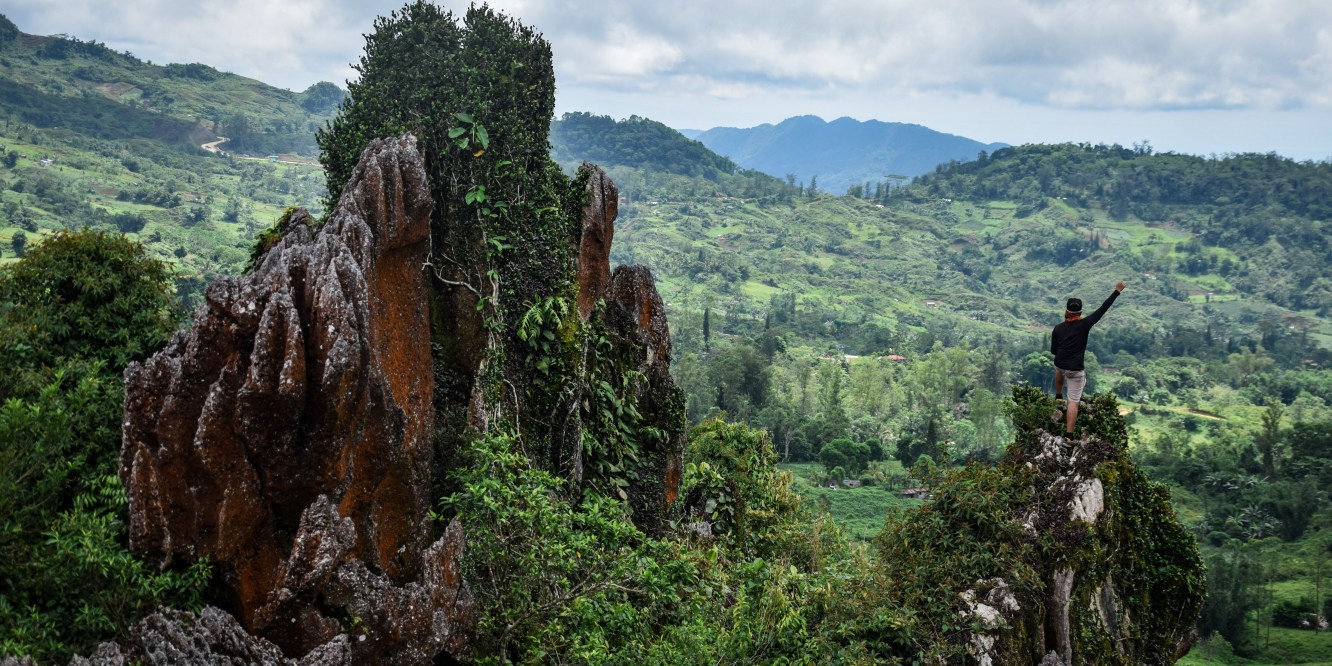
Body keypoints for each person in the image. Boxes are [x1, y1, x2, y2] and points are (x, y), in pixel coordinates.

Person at [1051, 280, 1125, 435]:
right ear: (1080, 313)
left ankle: (1058, 395)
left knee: (1058, 368)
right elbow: (1102, 309)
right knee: (1073, 402)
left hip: (1061, 365)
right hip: (1076, 371)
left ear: (1066, 311)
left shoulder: (1057, 328)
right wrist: (1117, 291)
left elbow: (1054, 351)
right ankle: (1069, 435)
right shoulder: (1085, 324)